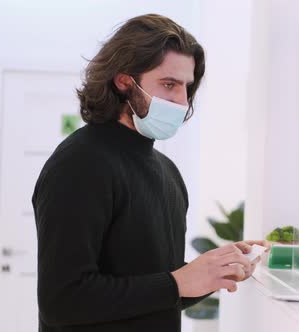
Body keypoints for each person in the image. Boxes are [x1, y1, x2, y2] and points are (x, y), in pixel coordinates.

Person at [32, 14, 267, 332]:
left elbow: (159, 291)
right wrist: (177, 282)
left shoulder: (167, 173)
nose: (182, 101)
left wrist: (210, 272)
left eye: (187, 86)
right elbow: (62, 300)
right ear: (124, 81)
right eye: (169, 84)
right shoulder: (80, 163)